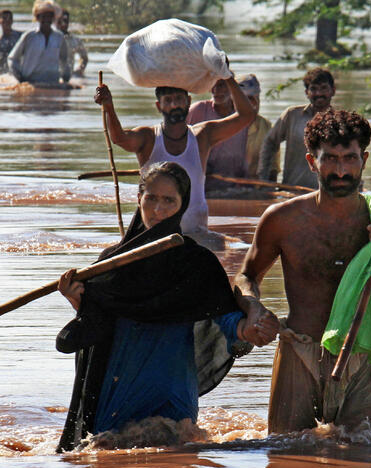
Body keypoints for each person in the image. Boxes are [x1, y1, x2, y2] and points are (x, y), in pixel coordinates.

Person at [235, 109, 371, 434]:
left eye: (350, 158)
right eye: (330, 158)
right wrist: (253, 307)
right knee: (286, 456)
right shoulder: (282, 220)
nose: (341, 170)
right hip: (298, 350)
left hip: (359, 354)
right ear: (312, 161)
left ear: (364, 160)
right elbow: (246, 277)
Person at [55, 162, 277, 452]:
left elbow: (224, 318)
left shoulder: (197, 263)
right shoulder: (111, 262)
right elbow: (96, 324)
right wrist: (77, 300)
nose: (158, 209)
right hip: (119, 386)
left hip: (172, 389)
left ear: (183, 205)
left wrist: (249, 329)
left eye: (169, 200)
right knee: (107, 463)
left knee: (175, 464)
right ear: (138, 199)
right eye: (152, 198)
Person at [92, 72, 255, 234]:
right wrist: (109, 107)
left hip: (195, 235)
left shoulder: (202, 136)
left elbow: (246, 115)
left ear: (188, 102)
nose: (174, 105)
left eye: (179, 99)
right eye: (168, 100)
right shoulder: (148, 137)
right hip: (154, 235)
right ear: (158, 106)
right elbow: (120, 138)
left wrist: (226, 76)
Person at [259, 67, 336, 189]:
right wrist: (264, 179)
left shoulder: (340, 122)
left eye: (323, 88)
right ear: (306, 93)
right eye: (313, 89)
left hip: (327, 194)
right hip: (292, 191)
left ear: (333, 91)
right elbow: (270, 142)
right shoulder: (292, 115)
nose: (319, 94)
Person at [186, 77, 254, 195]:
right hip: (202, 186)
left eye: (222, 85)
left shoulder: (241, 117)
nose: (216, 91)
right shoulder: (199, 110)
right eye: (213, 85)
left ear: (232, 88)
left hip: (233, 186)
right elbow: (183, 146)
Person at [8, 0, 71, 86]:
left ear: (53, 18)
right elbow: (12, 58)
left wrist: (66, 81)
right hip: (30, 81)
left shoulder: (59, 37)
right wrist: (20, 79)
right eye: (43, 16)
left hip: (53, 83)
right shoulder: (29, 36)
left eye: (49, 16)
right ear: (37, 18)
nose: (47, 19)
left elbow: (64, 60)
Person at [238, 74, 277, 179]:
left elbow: (273, 169)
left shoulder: (267, 127)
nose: (253, 104)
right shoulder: (225, 125)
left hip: (257, 186)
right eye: (247, 99)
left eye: (255, 99)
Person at [55, 9, 88, 77]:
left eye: (65, 21)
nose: (63, 24)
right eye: (60, 22)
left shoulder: (75, 40)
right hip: (51, 75)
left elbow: (84, 58)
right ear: (55, 22)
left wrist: (79, 70)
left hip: (68, 76)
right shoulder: (49, 38)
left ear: (68, 22)